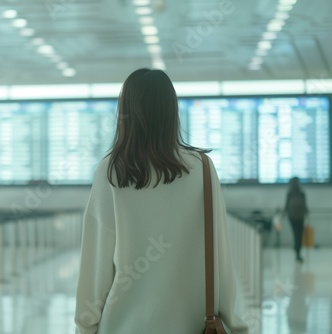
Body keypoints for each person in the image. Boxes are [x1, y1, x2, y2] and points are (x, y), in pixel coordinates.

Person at [75, 69, 247, 333]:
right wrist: (235, 325)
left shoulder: (112, 172)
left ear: (125, 113)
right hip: (189, 326)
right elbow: (219, 256)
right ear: (172, 112)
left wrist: (85, 328)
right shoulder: (201, 168)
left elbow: (95, 266)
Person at [282, 177, 309, 262]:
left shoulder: (293, 193)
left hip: (294, 217)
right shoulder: (299, 193)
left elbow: (286, 206)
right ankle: (297, 252)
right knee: (298, 235)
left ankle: (297, 250)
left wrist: (282, 214)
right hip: (298, 217)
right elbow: (305, 206)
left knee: (297, 235)